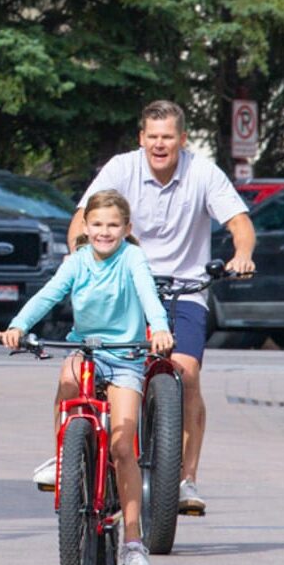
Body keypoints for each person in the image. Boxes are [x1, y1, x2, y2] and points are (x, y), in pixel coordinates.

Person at [70, 100, 255, 517]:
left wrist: (241, 254)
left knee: (186, 370)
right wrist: (81, 261)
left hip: (185, 290)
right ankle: (83, 450)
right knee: (93, 364)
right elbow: (83, 219)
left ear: (182, 140)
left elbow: (239, 223)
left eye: (167, 137)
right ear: (141, 138)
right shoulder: (120, 168)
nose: (159, 144)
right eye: (152, 137)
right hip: (125, 287)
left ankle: (186, 478)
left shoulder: (203, 172)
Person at [1, 190, 172, 565]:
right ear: (86, 228)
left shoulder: (132, 258)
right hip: (87, 349)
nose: (105, 232)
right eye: (97, 224)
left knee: (121, 444)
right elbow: (48, 295)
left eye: (113, 225)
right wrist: (18, 326)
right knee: (67, 375)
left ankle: (132, 541)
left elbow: (148, 293)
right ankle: (63, 457)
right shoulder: (77, 263)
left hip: (127, 355)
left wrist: (159, 329)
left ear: (126, 229)